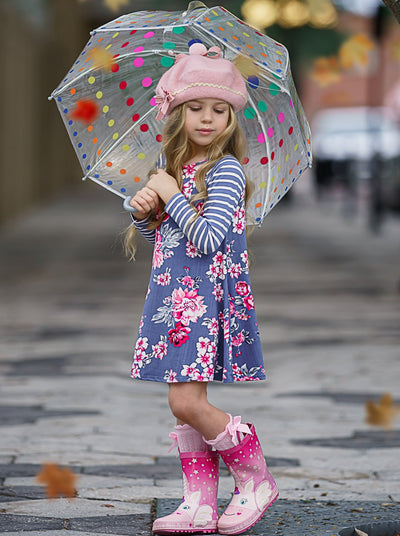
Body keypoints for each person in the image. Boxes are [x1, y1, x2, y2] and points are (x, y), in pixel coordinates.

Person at [124, 43, 278, 536]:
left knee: (187, 402)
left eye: (219, 110)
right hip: (173, 300)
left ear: (231, 118)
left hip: (206, 301)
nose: (207, 119)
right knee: (182, 403)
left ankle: (255, 479)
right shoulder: (173, 170)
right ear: (176, 112)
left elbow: (210, 239)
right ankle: (199, 504)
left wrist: (172, 196)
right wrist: (146, 212)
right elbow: (167, 240)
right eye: (195, 108)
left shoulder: (226, 170)